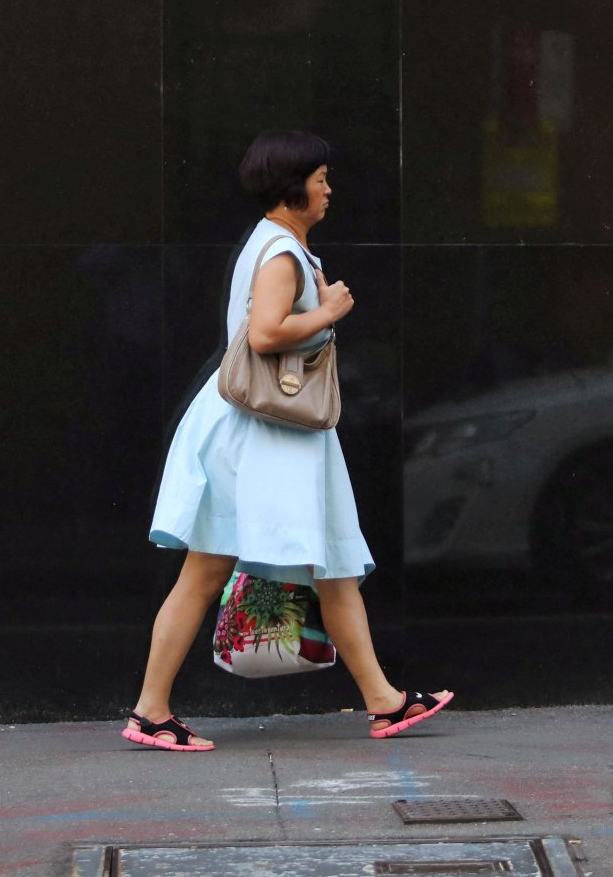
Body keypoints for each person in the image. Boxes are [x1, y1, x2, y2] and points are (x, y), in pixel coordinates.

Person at [125, 130, 453, 751]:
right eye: (322, 178)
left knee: (331, 566)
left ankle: (384, 702)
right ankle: (149, 711)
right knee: (208, 571)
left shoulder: (279, 245)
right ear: (292, 185)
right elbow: (267, 334)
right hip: (263, 438)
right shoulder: (280, 252)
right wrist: (329, 311)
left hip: (280, 436)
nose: (329, 189)